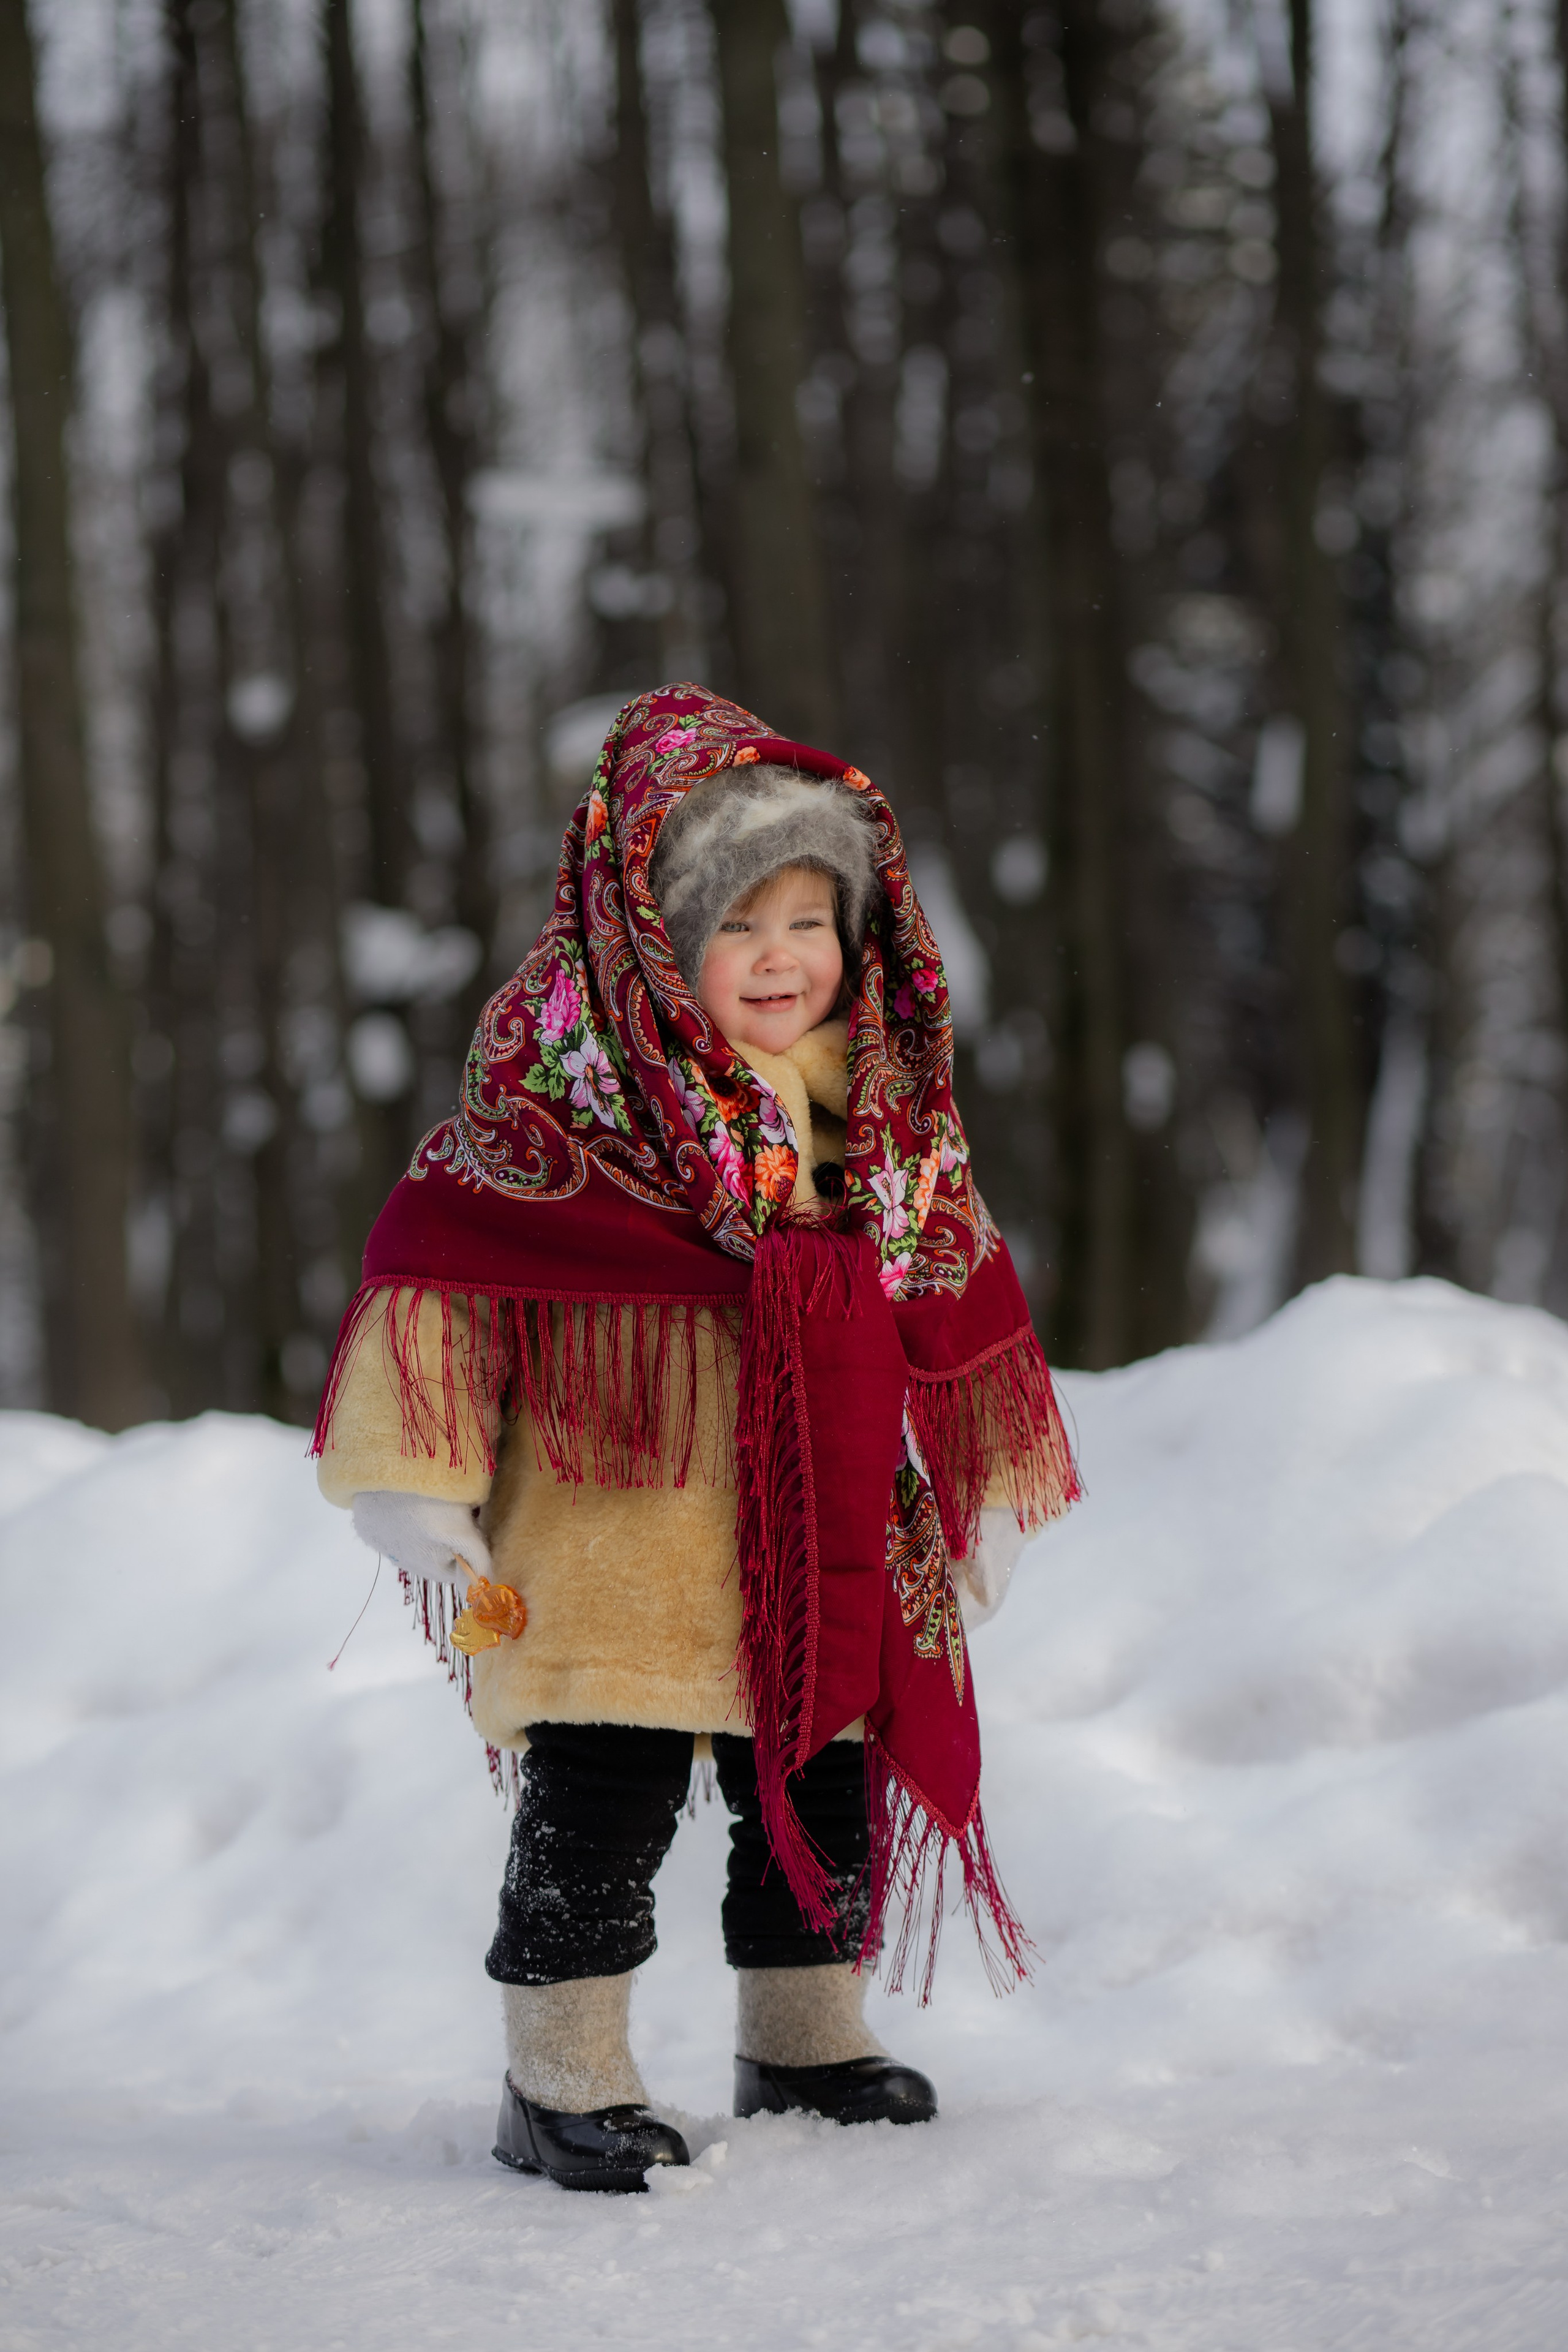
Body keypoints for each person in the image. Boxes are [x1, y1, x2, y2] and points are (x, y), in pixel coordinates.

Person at [313, 685, 1078, 2193]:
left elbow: (953, 1282)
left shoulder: (878, 1118)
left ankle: (801, 2034)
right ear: (653, 934)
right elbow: (445, 1285)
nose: (782, 958)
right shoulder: (556, 1105)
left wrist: (979, 1489)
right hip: (619, 1532)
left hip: (826, 1531)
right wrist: (414, 1475)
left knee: (819, 1793)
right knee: (604, 1802)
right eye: (739, 925)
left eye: (811, 919)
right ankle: (562, 2073)